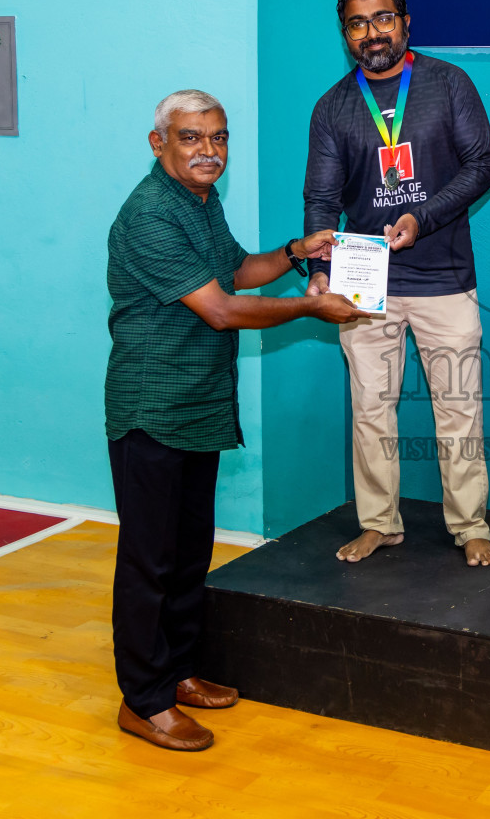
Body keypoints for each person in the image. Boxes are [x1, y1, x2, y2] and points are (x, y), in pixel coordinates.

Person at [107, 89, 367, 751]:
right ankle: (143, 701)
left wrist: (295, 248)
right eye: (192, 138)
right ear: (157, 141)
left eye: (218, 138)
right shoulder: (149, 216)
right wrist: (311, 308)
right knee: (149, 559)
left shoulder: (201, 201)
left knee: (189, 551)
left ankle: (178, 672)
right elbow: (221, 309)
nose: (209, 151)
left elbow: (238, 271)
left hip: (197, 403)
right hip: (151, 406)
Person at [304, 0, 490, 567]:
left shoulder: (448, 84)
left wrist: (426, 216)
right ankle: (379, 523)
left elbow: (481, 166)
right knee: (371, 409)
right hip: (365, 283)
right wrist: (319, 269)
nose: (372, 33)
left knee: (459, 406)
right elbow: (320, 197)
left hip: (443, 276)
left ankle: (469, 527)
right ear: (346, 36)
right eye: (358, 24)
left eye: (382, 19)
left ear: (405, 22)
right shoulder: (334, 107)